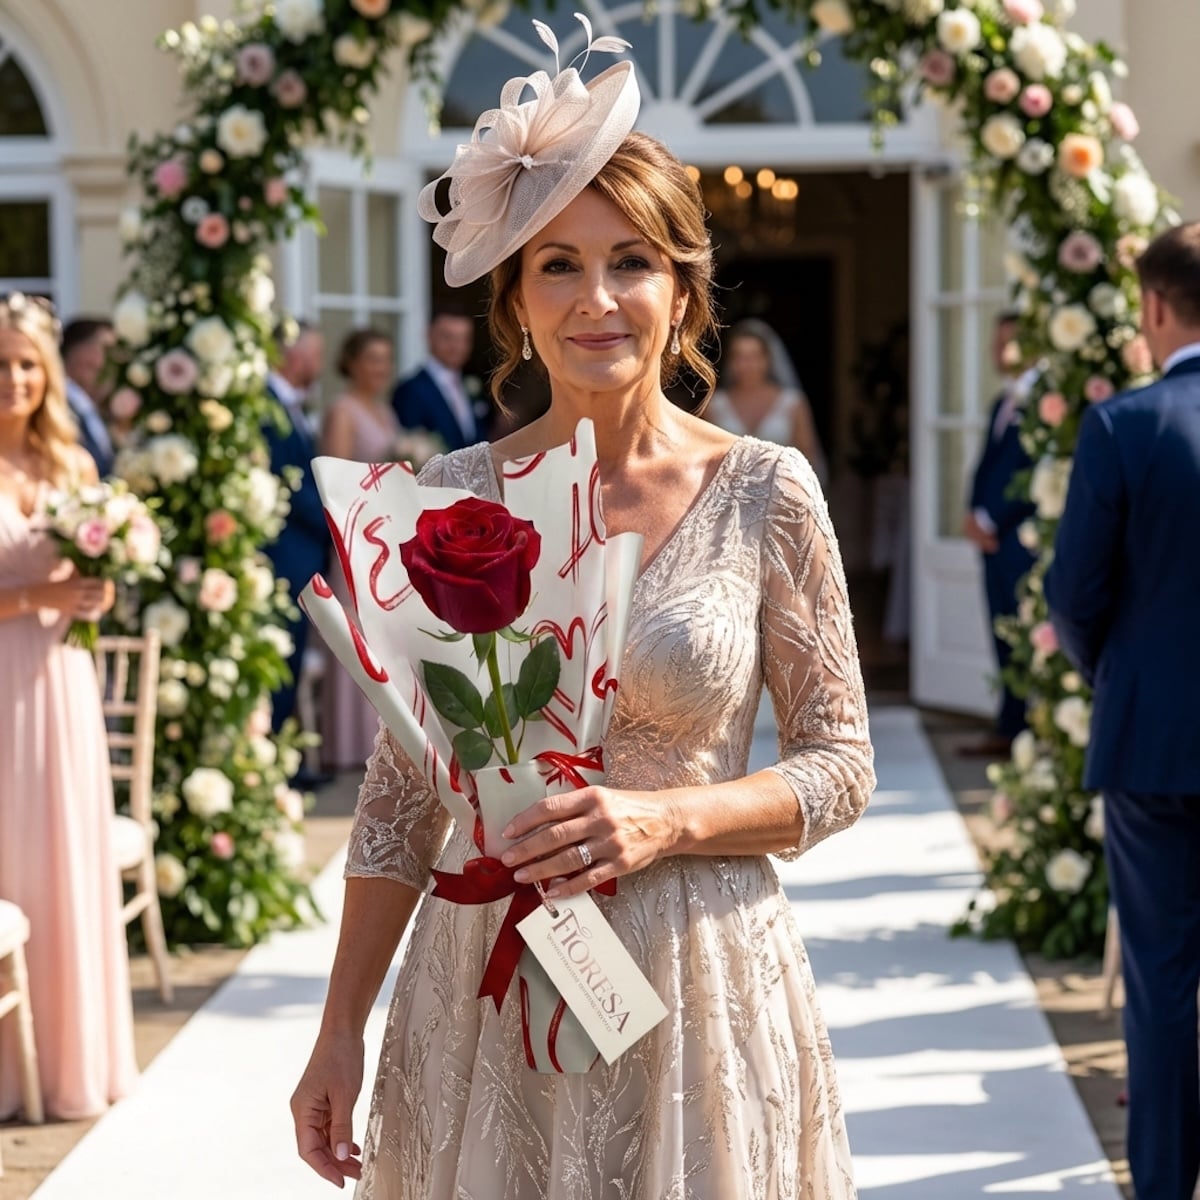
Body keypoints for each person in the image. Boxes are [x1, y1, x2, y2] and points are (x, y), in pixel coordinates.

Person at [291, 34, 874, 1198]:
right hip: (483, 987)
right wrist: (338, 1026)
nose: (597, 299)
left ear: (683, 292)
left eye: (633, 263)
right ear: (512, 298)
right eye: (558, 263)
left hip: (697, 980)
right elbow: (405, 799)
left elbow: (839, 764)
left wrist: (670, 821)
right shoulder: (445, 499)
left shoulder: (767, 489)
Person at [1045, 222, 1200, 1200]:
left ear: (1152, 308)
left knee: (1161, 984)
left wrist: (1123, 680)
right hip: (1150, 736)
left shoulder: (1123, 426)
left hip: (1153, 746)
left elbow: (1073, 596)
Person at [0, 292, 138, 1120]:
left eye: (25, 363)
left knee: (62, 857)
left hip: (61, 684)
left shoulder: (74, 467)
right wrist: (35, 596)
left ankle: (67, 1062)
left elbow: (101, 579)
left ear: (46, 374)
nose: (13, 378)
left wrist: (94, 590)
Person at [320, 328, 404, 772]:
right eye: (372, 359)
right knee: (358, 634)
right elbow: (334, 483)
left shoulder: (385, 410)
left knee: (385, 638)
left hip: (387, 537)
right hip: (355, 538)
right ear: (351, 362)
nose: (380, 368)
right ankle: (350, 746)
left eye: (386, 359)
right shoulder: (342, 411)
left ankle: (383, 741)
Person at [960, 311, 1038, 757]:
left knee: (1021, 633)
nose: (999, 353)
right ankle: (1009, 727)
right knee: (1001, 632)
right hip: (993, 543)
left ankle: (1022, 730)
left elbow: (1026, 470)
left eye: (1008, 343)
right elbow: (990, 465)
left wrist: (990, 520)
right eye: (996, 344)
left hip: (1019, 542)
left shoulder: (1041, 403)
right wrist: (973, 513)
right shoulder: (1002, 402)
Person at [265, 322, 331, 782]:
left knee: (290, 661)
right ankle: (274, 766)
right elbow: (289, 487)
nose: (319, 364)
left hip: (302, 555)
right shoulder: (269, 410)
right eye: (315, 354)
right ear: (293, 356)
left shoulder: (289, 406)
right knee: (280, 662)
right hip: (284, 556)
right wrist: (338, 520)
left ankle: (285, 761)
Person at [708, 317, 828, 485]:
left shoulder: (792, 403)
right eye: (739, 357)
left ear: (767, 360)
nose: (747, 365)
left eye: (754, 356)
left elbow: (809, 458)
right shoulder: (715, 405)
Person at [391, 306, 486, 450]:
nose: (457, 346)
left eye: (464, 339)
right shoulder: (411, 389)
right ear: (429, 335)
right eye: (448, 337)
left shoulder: (472, 384)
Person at [60, 317, 116, 478]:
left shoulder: (87, 404)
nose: (114, 361)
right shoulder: (62, 402)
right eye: (106, 349)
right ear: (81, 355)